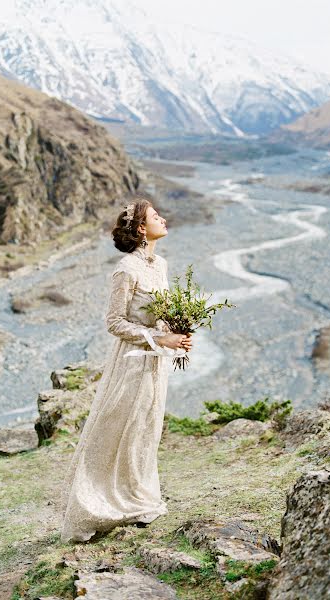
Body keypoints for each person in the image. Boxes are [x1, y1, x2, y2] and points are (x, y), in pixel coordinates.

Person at [59, 192, 192, 543]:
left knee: (148, 425)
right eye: (156, 216)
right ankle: (97, 502)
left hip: (155, 362)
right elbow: (114, 322)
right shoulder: (125, 269)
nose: (163, 219)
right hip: (131, 362)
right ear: (142, 230)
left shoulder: (160, 266)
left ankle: (140, 498)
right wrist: (157, 338)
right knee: (122, 427)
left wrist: (176, 335)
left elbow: (161, 314)